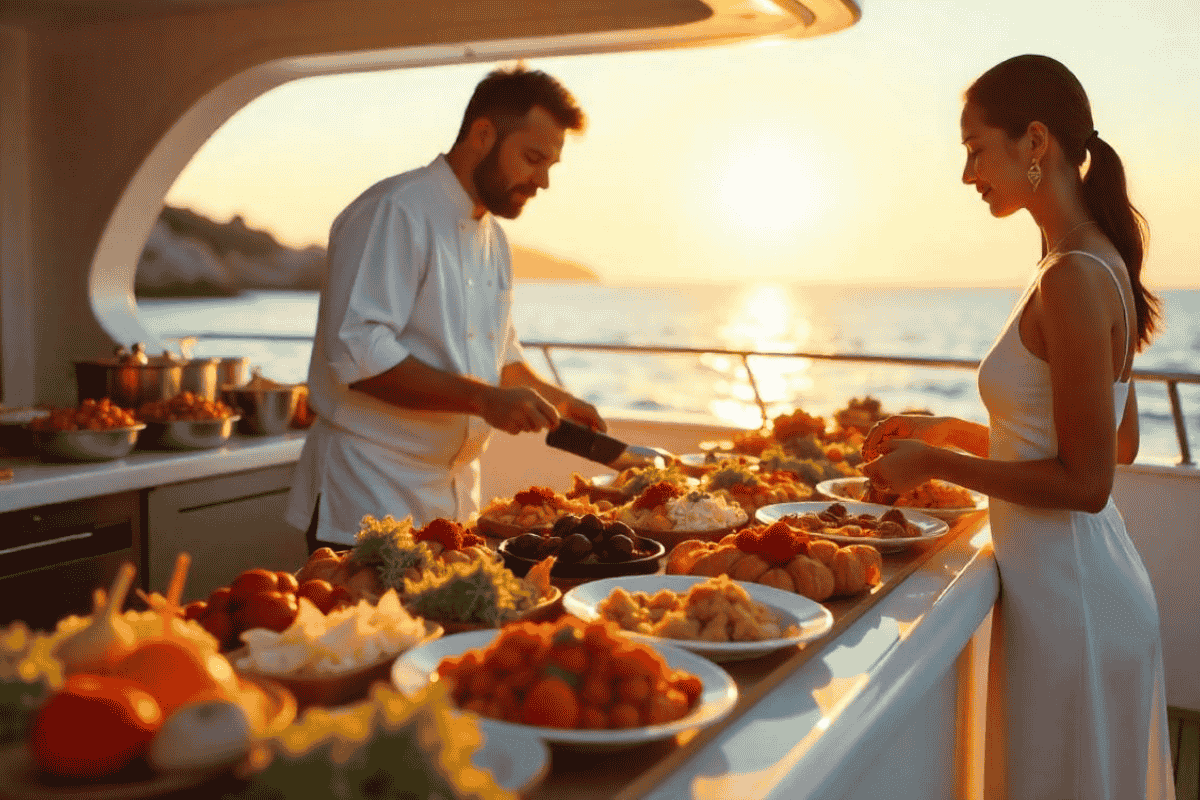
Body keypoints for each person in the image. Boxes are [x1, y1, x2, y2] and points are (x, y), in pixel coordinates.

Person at [861, 55, 1174, 799]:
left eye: (975, 149)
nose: (968, 174)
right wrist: (954, 432)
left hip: (1074, 610)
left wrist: (932, 467)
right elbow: (1115, 440)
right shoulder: (1086, 259)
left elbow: (1090, 481)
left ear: (1035, 142)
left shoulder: (1071, 274)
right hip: (1080, 590)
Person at [285, 64, 606, 552]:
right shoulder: (394, 211)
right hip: (369, 501)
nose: (542, 181)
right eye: (532, 158)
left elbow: (501, 360)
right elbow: (357, 356)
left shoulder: (493, 238)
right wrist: (484, 400)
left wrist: (560, 401)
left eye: (549, 166)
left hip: (454, 504)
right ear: (482, 134)